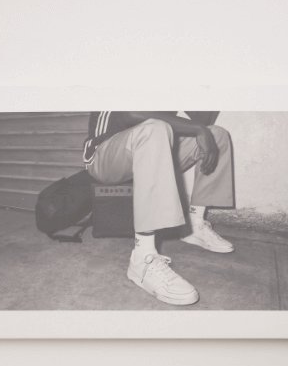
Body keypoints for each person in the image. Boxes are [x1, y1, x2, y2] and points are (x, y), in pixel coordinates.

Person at [83, 112, 235, 306]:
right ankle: (142, 258)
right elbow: (130, 113)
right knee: (154, 128)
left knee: (217, 134)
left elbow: (202, 122)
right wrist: (198, 128)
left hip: (150, 145)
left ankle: (196, 224)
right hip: (104, 153)